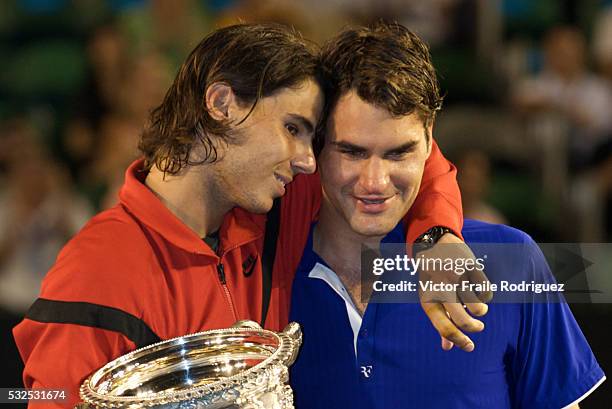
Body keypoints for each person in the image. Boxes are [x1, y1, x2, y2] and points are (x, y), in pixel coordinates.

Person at [13, 23, 475, 408]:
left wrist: (436, 237)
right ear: (221, 105)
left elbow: (411, 149)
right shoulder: (97, 271)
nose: (308, 161)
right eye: (292, 128)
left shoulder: (275, 207)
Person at [289, 22, 605, 409]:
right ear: (316, 142)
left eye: (398, 152)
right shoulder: (261, 266)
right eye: (351, 152)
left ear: (429, 139)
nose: (374, 181)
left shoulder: (513, 260)